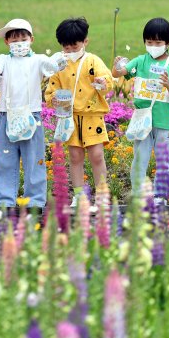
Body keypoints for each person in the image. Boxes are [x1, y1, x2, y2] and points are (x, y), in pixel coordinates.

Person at [112, 17, 169, 203]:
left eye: (158, 42)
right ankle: (138, 193)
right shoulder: (141, 61)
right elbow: (119, 74)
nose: (153, 46)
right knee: (140, 157)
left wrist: (168, 84)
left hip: (165, 122)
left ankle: (160, 195)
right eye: (149, 42)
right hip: (142, 120)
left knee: (163, 161)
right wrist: (117, 67)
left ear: (168, 43)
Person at [0, 19, 57, 213]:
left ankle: (35, 200)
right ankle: (5, 200)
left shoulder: (38, 59)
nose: (19, 43)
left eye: (23, 38)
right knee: (4, 159)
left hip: (32, 115)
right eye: (14, 39)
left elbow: (51, 67)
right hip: (7, 115)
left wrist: (59, 61)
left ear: (31, 39)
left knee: (34, 159)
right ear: (7, 41)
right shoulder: (4, 59)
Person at [44, 17, 113, 206]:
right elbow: (51, 90)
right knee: (75, 156)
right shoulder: (59, 65)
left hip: (92, 116)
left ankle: (102, 194)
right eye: (67, 48)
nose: (71, 51)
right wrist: (54, 98)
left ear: (85, 42)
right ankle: (79, 195)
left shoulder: (93, 60)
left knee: (97, 155)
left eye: (75, 47)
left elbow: (107, 80)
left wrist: (102, 83)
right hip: (69, 118)